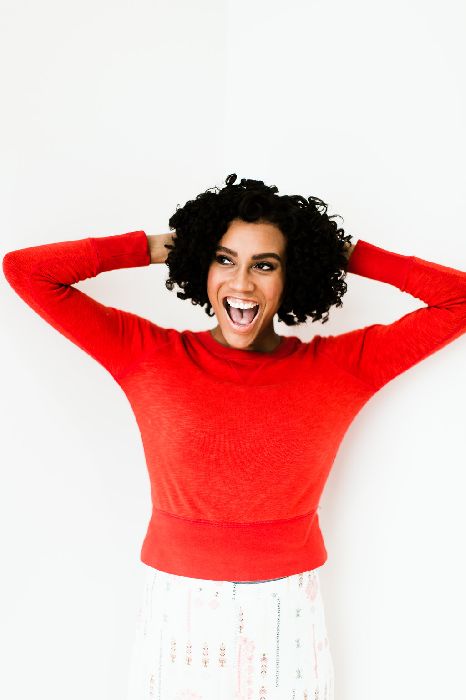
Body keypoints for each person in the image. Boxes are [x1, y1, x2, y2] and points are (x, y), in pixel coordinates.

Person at [3, 173, 466, 699]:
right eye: (225, 259)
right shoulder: (147, 355)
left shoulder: (341, 367)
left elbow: (459, 300)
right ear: (202, 265)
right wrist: (157, 247)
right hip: (176, 619)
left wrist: (341, 253)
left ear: (293, 274)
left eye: (265, 265)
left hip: (286, 623)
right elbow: (26, 271)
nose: (242, 283)